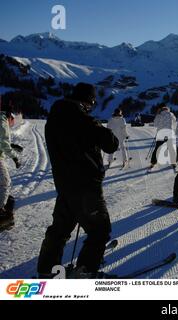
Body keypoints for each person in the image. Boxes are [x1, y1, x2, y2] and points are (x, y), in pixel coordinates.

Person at [37, 83, 119, 278]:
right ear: (87, 101)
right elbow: (111, 144)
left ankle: (47, 270)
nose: (90, 107)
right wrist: (97, 125)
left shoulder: (54, 118)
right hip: (86, 186)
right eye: (90, 103)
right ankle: (86, 272)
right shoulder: (81, 118)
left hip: (65, 185)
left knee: (60, 229)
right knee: (100, 230)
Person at [0, 102, 21, 231]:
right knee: (5, 183)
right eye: (12, 122)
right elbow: (3, 143)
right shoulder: (2, 120)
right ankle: (1, 214)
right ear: (10, 117)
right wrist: (15, 157)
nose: (12, 125)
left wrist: (12, 145)